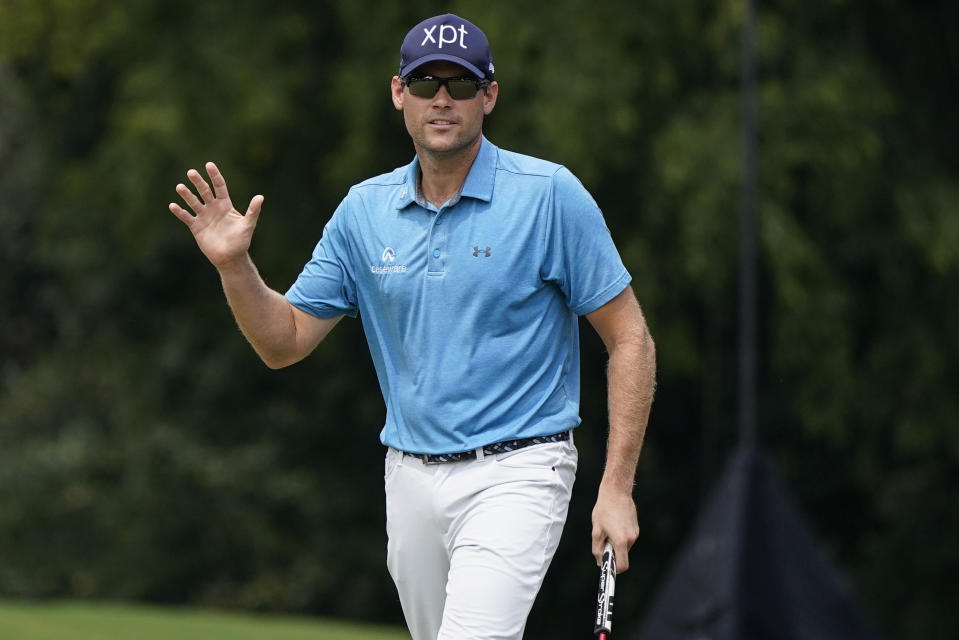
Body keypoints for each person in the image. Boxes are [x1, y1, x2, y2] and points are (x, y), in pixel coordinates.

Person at [169, 13, 655, 640]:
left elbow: (630, 338)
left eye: (460, 83)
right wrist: (235, 267)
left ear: (490, 95)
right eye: (426, 84)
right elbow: (283, 341)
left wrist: (617, 486)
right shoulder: (364, 212)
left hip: (520, 469)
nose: (442, 99)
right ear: (400, 93)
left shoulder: (549, 196)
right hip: (410, 478)